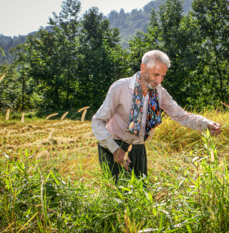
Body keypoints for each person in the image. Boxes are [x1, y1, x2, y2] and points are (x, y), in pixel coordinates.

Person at [91, 50, 222, 181]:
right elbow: (97, 121)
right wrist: (115, 149)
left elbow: (180, 115)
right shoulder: (121, 88)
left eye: (163, 76)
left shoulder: (159, 92)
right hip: (113, 147)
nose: (159, 81)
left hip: (138, 149)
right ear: (143, 68)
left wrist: (206, 124)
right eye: (156, 74)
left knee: (141, 195)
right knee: (118, 194)